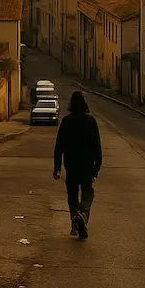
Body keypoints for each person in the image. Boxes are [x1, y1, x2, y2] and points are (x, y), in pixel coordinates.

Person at [53, 90, 102, 240]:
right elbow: (97, 147)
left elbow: (59, 146)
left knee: (72, 197)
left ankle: (75, 223)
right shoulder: (91, 121)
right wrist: (96, 168)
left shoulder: (67, 121)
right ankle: (84, 215)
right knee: (88, 194)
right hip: (87, 167)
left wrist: (57, 168)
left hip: (71, 167)